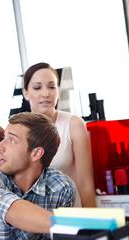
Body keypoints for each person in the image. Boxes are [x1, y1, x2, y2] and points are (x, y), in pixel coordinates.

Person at [0, 112, 76, 240]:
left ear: (36, 154)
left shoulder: (61, 188)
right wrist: (72, 225)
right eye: (4, 137)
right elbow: (10, 209)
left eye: (11, 140)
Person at [23, 62, 95, 207]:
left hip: (71, 214)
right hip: (35, 219)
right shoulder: (19, 129)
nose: (45, 93)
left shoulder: (73, 124)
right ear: (26, 93)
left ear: (58, 90)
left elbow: (85, 184)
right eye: (37, 87)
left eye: (51, 87)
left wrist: (93, 226)